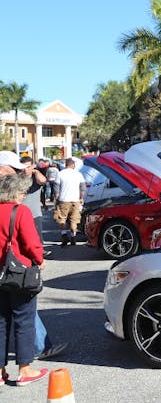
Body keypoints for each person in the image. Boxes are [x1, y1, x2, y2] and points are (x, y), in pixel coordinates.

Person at [0, 173, 49, 386]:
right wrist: (40, 259)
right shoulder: (20, 211)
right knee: (24, 320)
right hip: (20, 273)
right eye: (21, 191)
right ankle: (24, 369)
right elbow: (31, 242)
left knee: (0, 322)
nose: (23, 195)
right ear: (13, 193)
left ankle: (0, 372)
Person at [52, 158, 86, 247]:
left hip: (63, 199)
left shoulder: (60, 173)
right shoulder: (78, 174)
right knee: (74, 220)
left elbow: (56, 188)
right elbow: (83, 188)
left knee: (62, 218)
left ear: (66, 164)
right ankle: (73, 237)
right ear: (73, 165)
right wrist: (81, 198)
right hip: (75, 199)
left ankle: (64, 235)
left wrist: (57, 197)